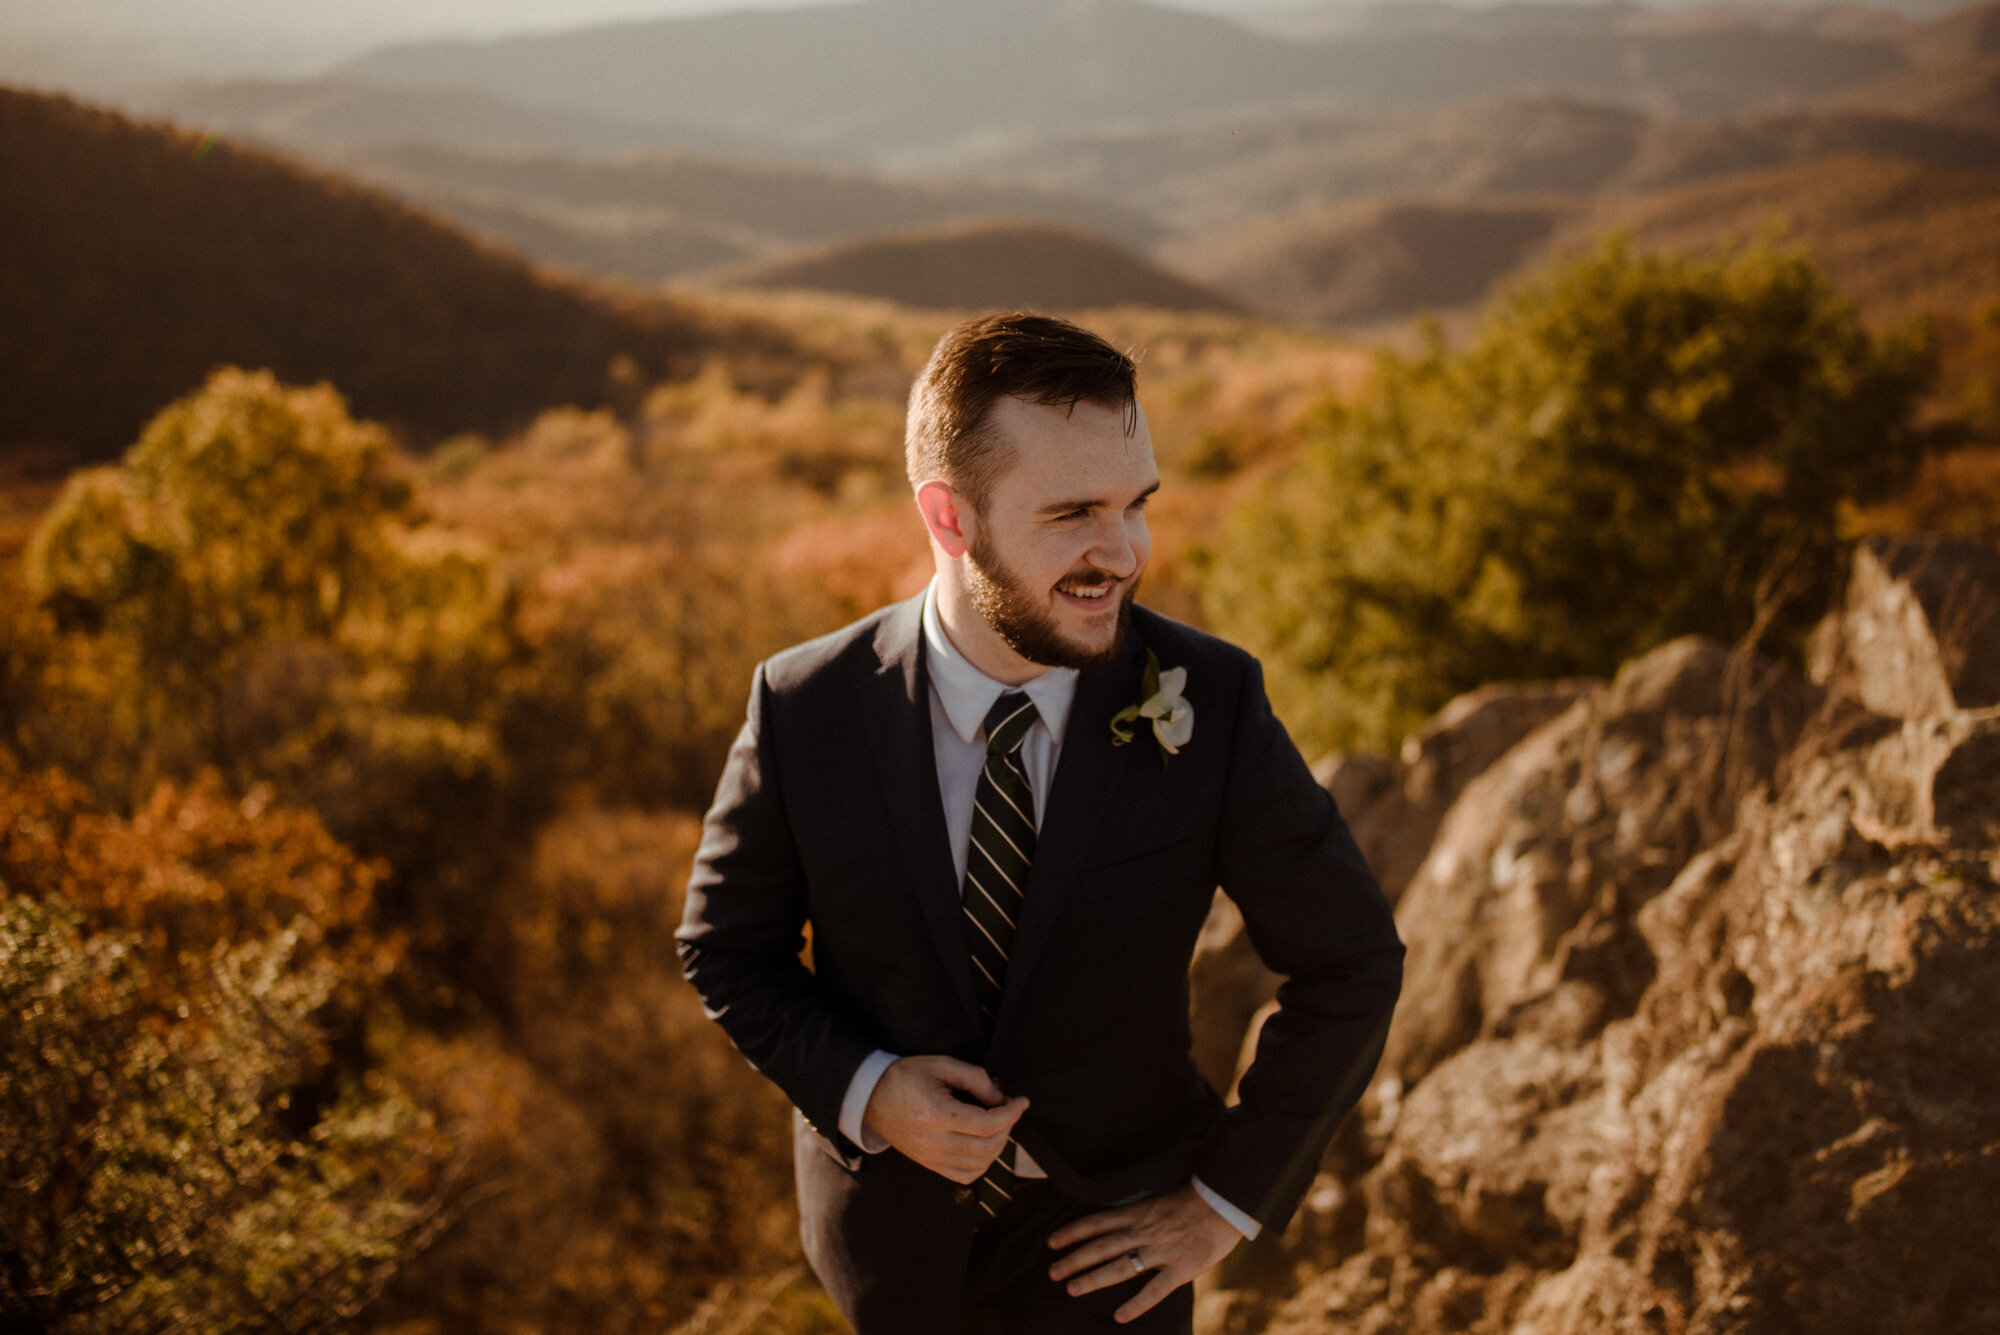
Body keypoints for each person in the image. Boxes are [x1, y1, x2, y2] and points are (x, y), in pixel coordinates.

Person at [677, 312, 1403, 1333]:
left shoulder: (1212, 697)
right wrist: (869, 1090)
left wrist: (1220, 1205)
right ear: (949, 517)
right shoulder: (804, 707)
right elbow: (723, 949)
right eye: (1072, 515)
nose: (1122, 553)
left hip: (1119, 1254)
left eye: (1135, 505)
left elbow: (1350, 962)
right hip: (887, 1254)